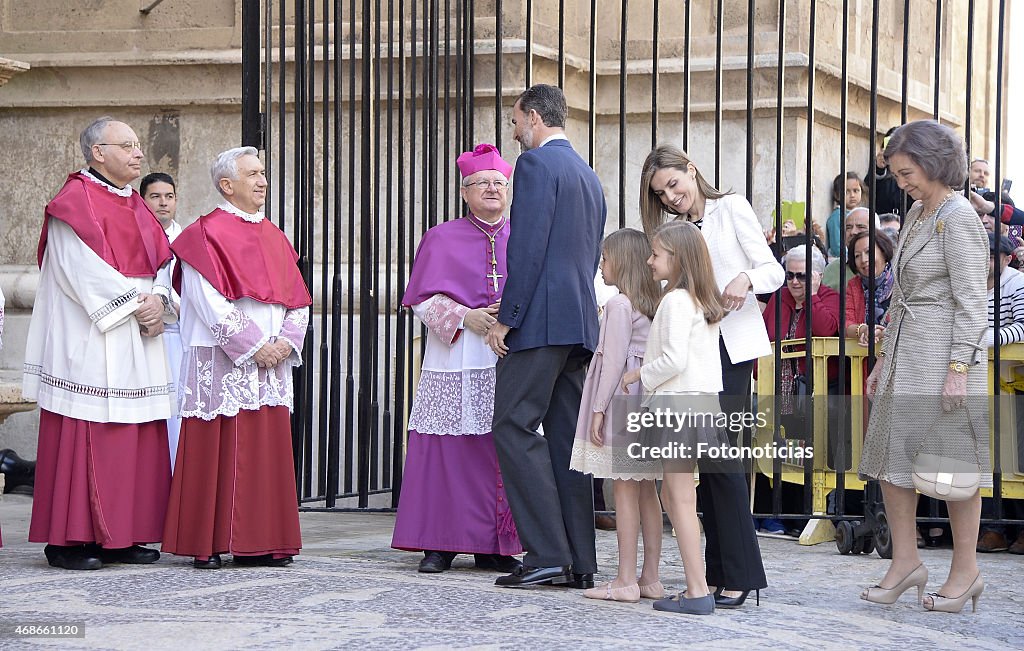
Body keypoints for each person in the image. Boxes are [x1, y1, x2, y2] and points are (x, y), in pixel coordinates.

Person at [23, 117, 176, 570]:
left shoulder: (138, 205)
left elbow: (165, 262)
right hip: (91, 335)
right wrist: (138, 302)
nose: (138, 153)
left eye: (136, 145)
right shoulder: (74, 202)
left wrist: (160, 297)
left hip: (137, 332)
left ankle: (122, 535)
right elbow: (78, 270)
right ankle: (69, 540)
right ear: (97, 153)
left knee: (135, 434)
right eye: (126, 145)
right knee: (86, 432)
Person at [859, 120, 989, 614]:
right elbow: (903, 295)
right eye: (896, 173)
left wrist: (959, 369)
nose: (901, 182)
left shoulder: (957, 217)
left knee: (952, 469)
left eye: (906, 172)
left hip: (943, 358)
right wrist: (883, 361)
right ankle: (906, 563)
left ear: (934, 163)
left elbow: (974, 304)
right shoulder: (916, 212)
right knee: (893, 465)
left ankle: (966, 572)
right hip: (907, 355)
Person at [161, 147, 311, 569]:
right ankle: (206, 542)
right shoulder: (203, 233)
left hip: (271, 361)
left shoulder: (275, 235)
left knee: (266, 451)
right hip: (224, 358)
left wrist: (285, 342)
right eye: (253, 174)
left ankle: (262, 542)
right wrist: (253, 345)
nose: (263, 181)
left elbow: (298, 299)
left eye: (263, 173)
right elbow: (206, 300)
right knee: (215, 449)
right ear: (227, 185)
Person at [639, 145, 773, 609]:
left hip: (731, 351)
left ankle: (738, 575)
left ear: (691, 170)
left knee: (723, 465)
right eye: (661, 194)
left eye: (674, 184)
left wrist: (746, 279)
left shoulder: (731, 207)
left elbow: (772, 269)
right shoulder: (669, 232)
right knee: (700, 470)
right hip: (693, 354)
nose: (671, 196)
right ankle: (714, 577)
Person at [486, 84, 605, 589]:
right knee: (564, 441)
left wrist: (506, 318)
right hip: (576, 324)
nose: (514, 132)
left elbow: (527, 249)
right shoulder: (589, 174)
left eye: (515, 122)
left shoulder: (535, 166)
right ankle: (580, 560)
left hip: (540, 324)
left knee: (512, 427)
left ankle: (545, 553)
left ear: (534, 118)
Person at [390, 143, 523, 574]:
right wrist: (468, 317)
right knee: (446, 448)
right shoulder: (441, 236)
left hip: (509, 358)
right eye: (482, 183)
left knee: (498, 449)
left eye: (499, 182)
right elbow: (421, 302)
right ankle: (439, 544)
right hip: (454, 357)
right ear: (464, 191)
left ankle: (493, 545)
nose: (491, 188)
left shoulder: (522, 234)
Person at [620, 221, 730, 616]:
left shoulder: (675, 300)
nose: (649, 261)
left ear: (677, 258)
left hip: (677, 408)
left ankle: (697, 591)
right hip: (701, 406)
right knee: (678, 496)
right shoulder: (702, 300)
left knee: (679, 499)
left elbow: (672, 360)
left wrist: (637, 374)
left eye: (656, 254)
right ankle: (697, 586)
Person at [569, 228, 663, 603]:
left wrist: (597, 410)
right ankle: (650, 577)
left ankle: (625, 579)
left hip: (623, 400)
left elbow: (612, 365)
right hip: (645, 402)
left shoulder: (621, 305)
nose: (601, 266)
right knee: (645, 491)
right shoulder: (651, 303)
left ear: (620, 261)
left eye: (605, 258)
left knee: (624, 486)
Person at [976, 233, 1024, 554]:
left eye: (995, 254)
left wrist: (983, 341)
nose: (989, 259)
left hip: (1013, 382)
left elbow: (1022, 327)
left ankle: (1019, 528)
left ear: (1008, 259)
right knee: (988, 455)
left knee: (1015, 456)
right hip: (980, 381)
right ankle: (993, 528)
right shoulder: (971, 281)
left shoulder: (1017, 283)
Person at [141, 172, 184, 470]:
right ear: (143, 200)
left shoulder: (187, 241)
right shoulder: (134, 236)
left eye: (168, 196)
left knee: (176, 414)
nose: (163, 203)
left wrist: (169, 309)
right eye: (155, 197)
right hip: (143, 336)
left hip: (177, 340)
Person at [843, 230, 896, 346]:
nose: (863, 260)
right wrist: (864, 330)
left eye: (868, 252)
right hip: (865, 358)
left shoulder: (901, 279)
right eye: (857, 256)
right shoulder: (854, 285)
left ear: (883, 251)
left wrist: (885, 333)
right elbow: (845, 324)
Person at [822, 207, 879, 290]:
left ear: (877, 232)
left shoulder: (887, 267)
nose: (853, 232)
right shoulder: (832, 269)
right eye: (848, 228)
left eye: (861, 227)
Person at [826, 172, 866, 258]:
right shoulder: (837, 216)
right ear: (837, 195)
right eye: (846, 192)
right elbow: (837, 246)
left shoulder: (862, 213)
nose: (852, 195)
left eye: (856, 191)